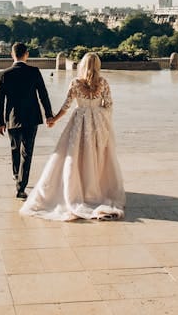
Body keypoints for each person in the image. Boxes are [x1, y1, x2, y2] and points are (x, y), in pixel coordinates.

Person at [20, 52, 125, 220]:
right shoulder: (103, 83)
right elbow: (109, 105)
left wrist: (53, 119)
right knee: (97, 156)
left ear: (82, 65)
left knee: (75, 155)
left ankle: (77, 189)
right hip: (98, 124)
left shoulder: (75, 83)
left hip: (79, 121)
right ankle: (94, 189)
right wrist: (98, 114)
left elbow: (67, 105)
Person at [0, 42, 54, 199]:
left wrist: (0, 122)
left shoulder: (4, 74)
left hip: (12, 118)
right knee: (27, 153)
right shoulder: (34, 72)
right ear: (26, 54)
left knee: (15, 148)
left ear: (12, 54)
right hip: (31, 118)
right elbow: (43, 95)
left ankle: (16, 175)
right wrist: (49, 115)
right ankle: (21, 187)